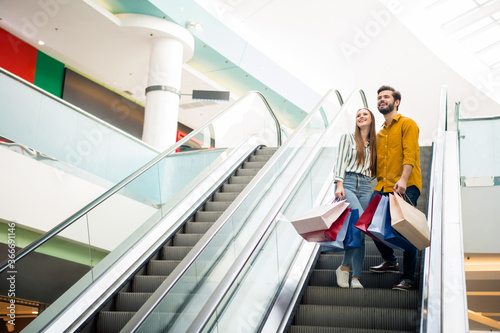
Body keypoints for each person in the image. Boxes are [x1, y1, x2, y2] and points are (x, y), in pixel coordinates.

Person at [369, 85, 422, 291]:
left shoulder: (408, 124)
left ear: (396, 102)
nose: (382, 100)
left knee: (404, 229)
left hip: (404, 185)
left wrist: (403, 179)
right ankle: (390, 260)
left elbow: (410, 153)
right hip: (383, 186)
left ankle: (408, 279)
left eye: (386, 97)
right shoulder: (380, 133)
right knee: (369, 225)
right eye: (379, 97)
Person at [333, 107, 377, 289]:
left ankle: (356, 277)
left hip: (366, 186)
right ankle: (344, 267)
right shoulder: (347, 138)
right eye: (358, 115)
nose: (361, 117)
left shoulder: (375, 144)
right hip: (349, 183)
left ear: (371, 119)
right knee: (357, 224)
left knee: (362, 230)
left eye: (365, 114)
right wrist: (339, 184)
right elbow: (340, 161)